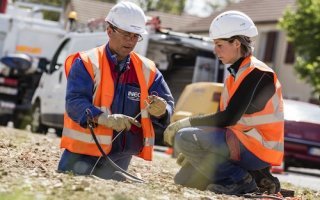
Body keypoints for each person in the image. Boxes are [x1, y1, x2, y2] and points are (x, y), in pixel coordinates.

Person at [163, 10, 284, 195]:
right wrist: (197, 153)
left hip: (258, 149)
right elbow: (223, 125)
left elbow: (228, 118)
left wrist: (186, 124)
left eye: (219, 45)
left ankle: (241, 181)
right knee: (185, 180)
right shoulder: (235, 75)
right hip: (241, 144)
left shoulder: (257, 73)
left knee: (185, 137)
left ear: (236, 43)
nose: (215, 50)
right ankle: (258, 178)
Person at [57, 1, 174, 181]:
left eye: (136, 36)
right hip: (80, 155)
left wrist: (162, 111)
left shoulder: (147, 70)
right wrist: (103, 119)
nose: (131, 41)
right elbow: (74, 102)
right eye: (126, 34)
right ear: (109, 30)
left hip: (119, 158)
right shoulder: (87, 62)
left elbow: (168, 105)